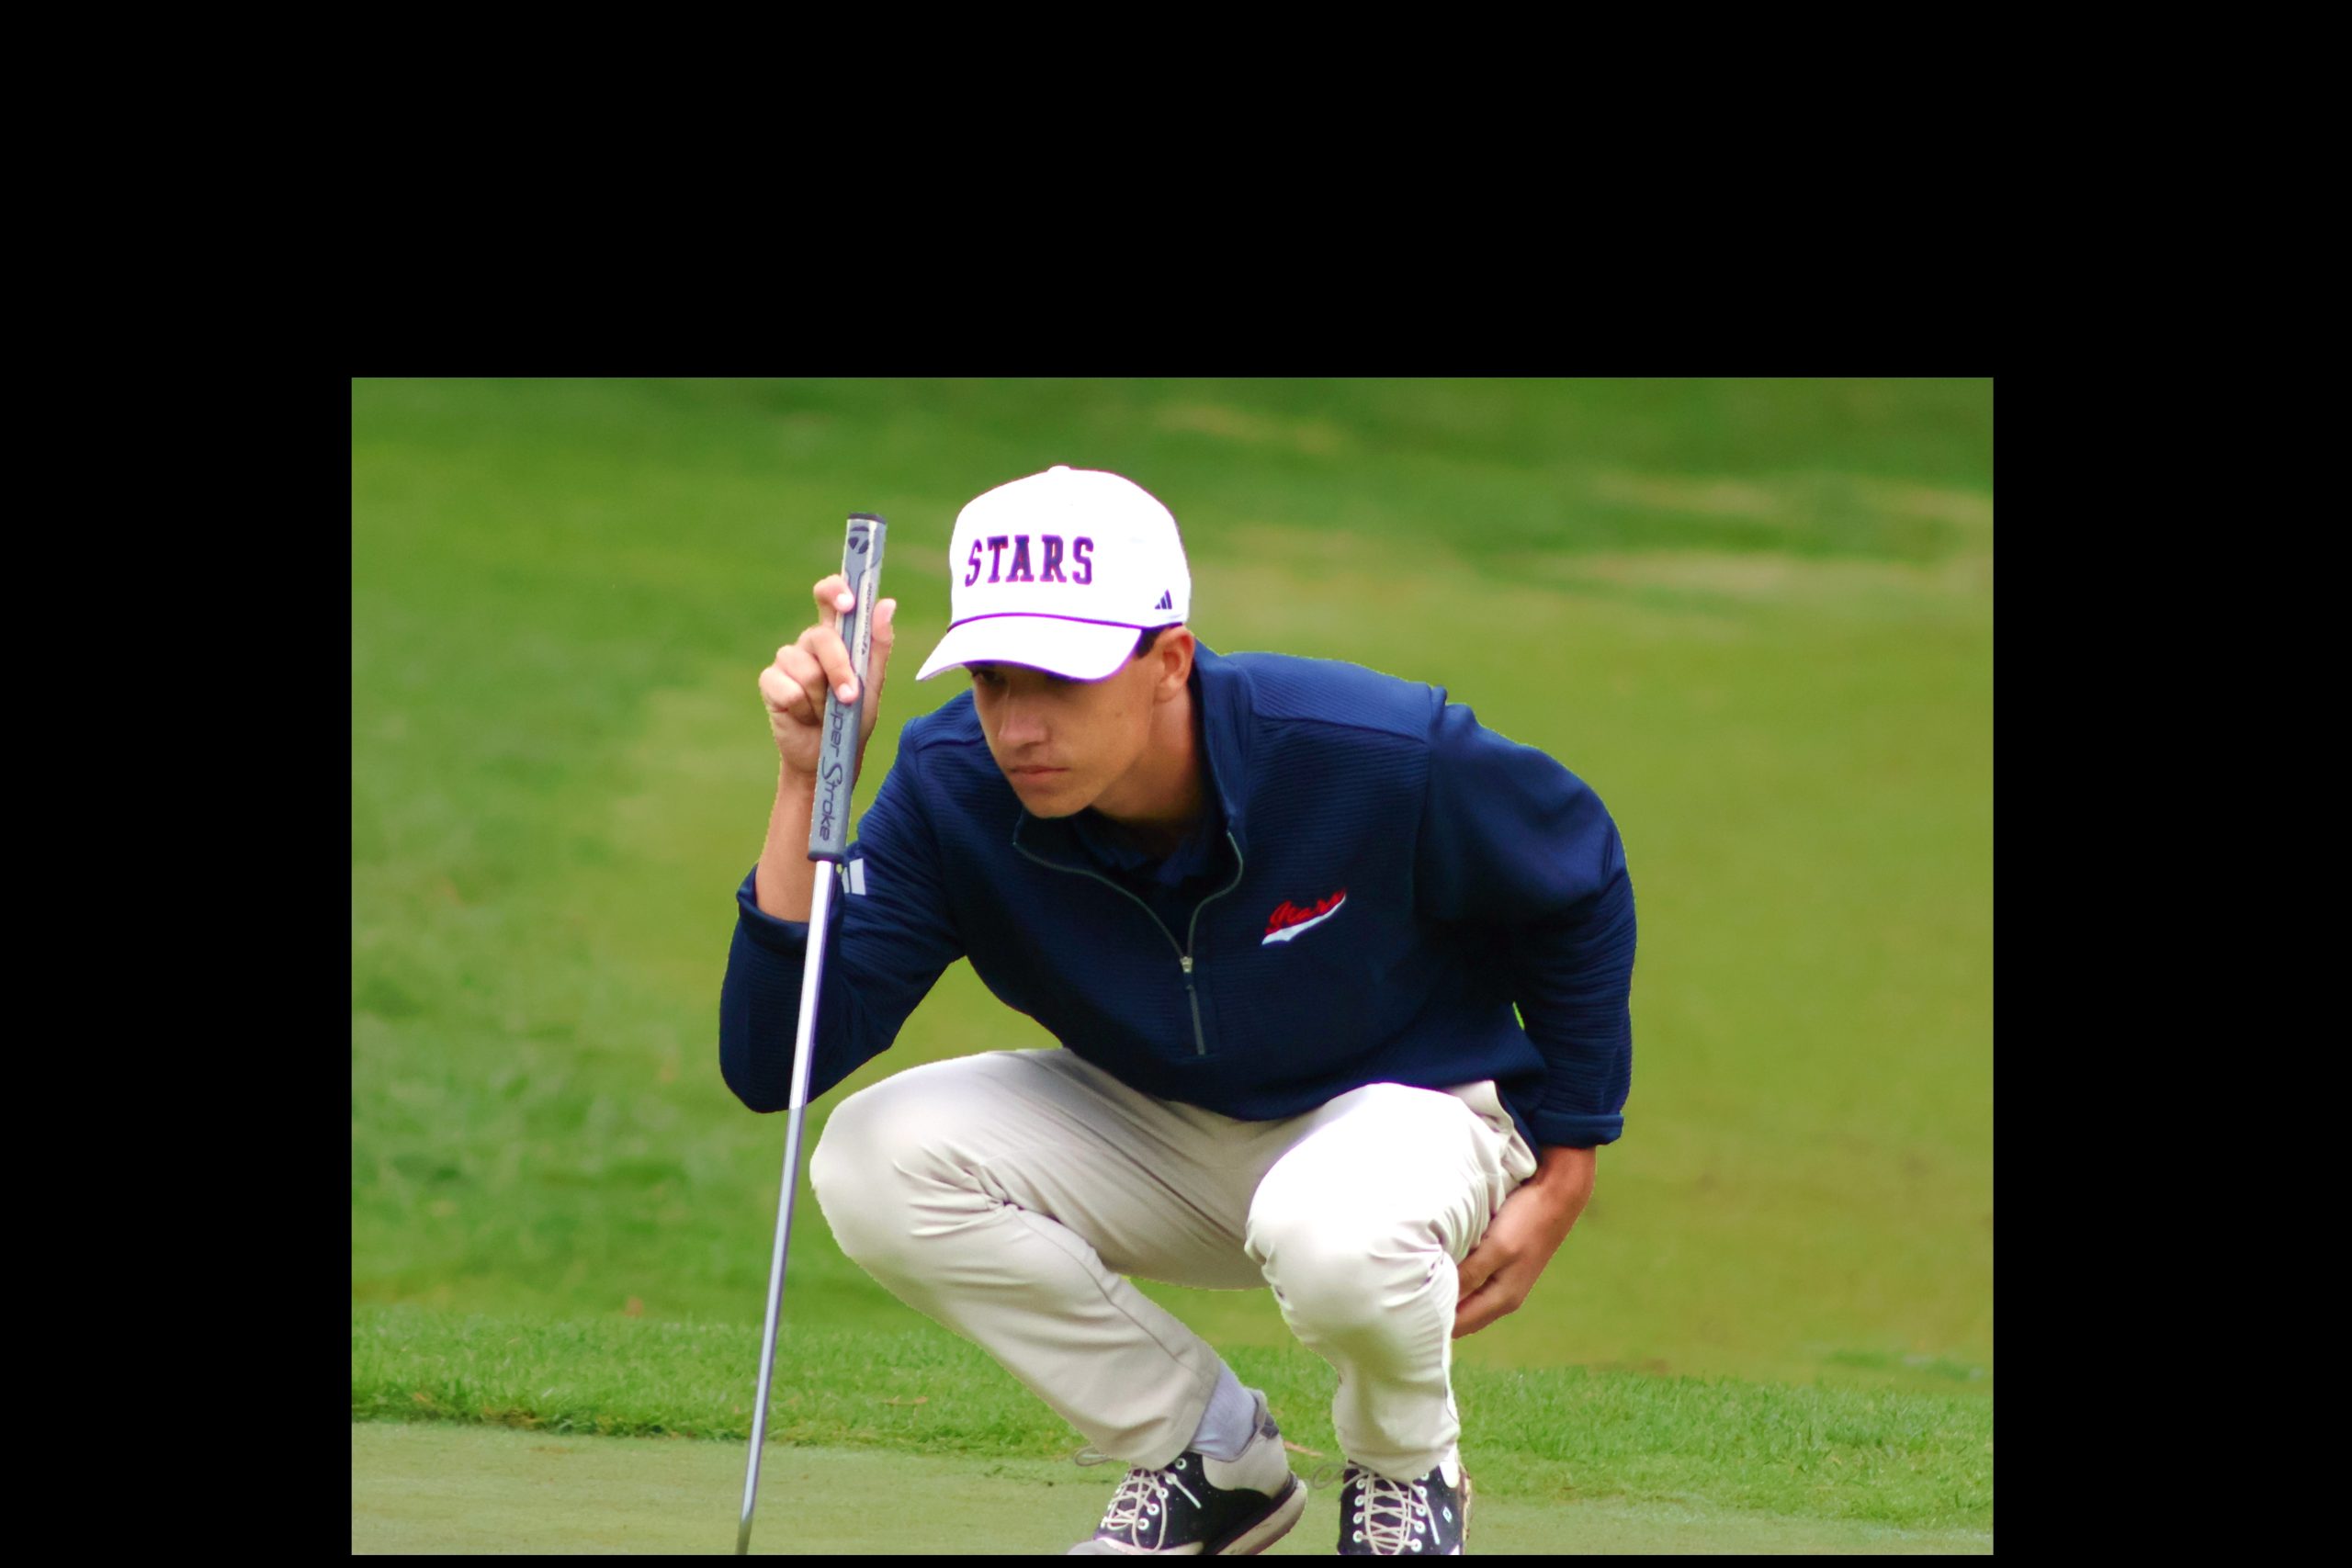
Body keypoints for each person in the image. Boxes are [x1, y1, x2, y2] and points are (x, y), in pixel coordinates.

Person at [721, 466, 1634, 1556]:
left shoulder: (1374, 749)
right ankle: (1210, 1459)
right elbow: (774, 1060)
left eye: (1059, 680)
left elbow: (1578, 877)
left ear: (1168, 661)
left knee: (1333, 1234)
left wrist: (1568, 1158)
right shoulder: (951, 786)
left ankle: (1406, 1475)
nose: (1018, 727)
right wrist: (805, 783)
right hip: (1158, 1132)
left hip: (1405, 1121)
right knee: (871, 1157)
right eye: (992, 680)